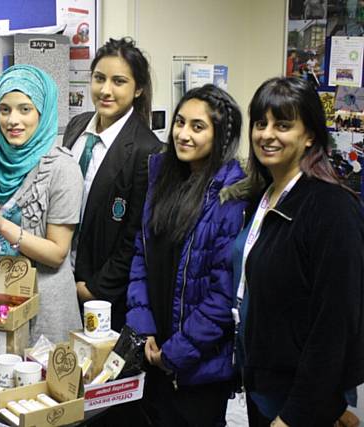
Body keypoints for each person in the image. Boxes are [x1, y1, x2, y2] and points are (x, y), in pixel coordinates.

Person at [234, 77, 364, 426]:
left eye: (283, 125)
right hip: (263, 385)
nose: (267, 134)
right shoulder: (265, 196)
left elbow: (334, 325)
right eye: (261, 124)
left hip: (298, 401)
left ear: (309, 136)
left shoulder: (331, 207)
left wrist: (295, 414)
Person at [126, 84, 247, 426]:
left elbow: (224, 297)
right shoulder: (161, 178)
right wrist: (143, 328)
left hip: (198, 367)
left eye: (198, 127)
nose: (183, 134)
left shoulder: (230, 197)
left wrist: (175, 353)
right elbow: (141, 259)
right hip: (154, 351)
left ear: (221, 135)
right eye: (180, 122)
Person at [0, 65, 83, 344]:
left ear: (42, 114)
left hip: (46, 314)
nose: (12, 120)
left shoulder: (62, 168)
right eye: (4, 109)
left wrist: (2, 224)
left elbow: (57, 253)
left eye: (25, 109)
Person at [62, 37, 163, 332]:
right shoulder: (77, 126)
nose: (106, 90)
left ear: (138, 89)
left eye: (119, 81)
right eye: (99, 79)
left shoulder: (147, 150)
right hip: (61, 277)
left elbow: (136, 236)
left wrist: (94, 289)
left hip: (100, 294)